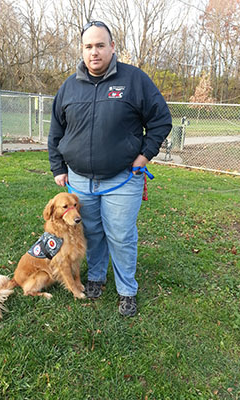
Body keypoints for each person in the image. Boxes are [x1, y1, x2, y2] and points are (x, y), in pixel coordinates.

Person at [48, 21, 172, 317]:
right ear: (82, 50)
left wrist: (145, 155)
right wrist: (58, 166)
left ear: (112, 47)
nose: (94, 52)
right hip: (79, 181)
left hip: (122, 179)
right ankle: (96, 278)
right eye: (88, 46)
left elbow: (161, 119)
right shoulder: (68, 87)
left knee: (120, 235)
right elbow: (55, 131)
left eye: (100, 45)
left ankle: (127, 290)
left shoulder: (134, 80)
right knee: (91, 231)